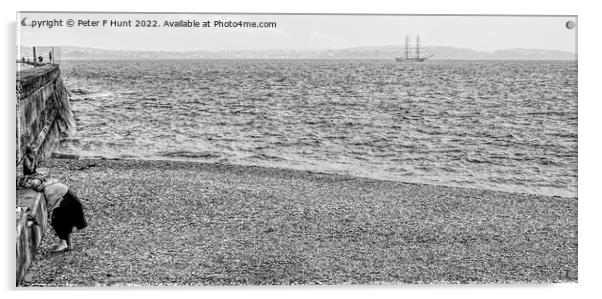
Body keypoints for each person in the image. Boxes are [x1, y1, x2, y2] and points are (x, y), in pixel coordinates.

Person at [18, 169, 88, 253]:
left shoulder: (48, 191)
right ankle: (69, 244)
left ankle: (63, 243)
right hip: (70, 200)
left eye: (35, 189)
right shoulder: (49, 183)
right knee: (66, 222)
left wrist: (49, 219)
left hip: (68, 202)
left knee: (57, 221)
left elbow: (51, 207)